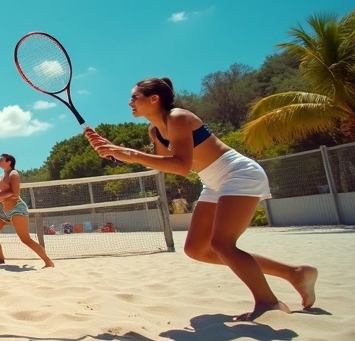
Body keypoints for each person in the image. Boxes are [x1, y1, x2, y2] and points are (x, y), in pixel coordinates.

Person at [85, 77, 317, 320]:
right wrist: (116, 152)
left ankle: (268, 302)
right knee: (196, 249)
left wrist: (130, 154)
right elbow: (166, 166)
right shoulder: (155, 131)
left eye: (135, 97)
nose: (129, 102)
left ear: (154, 99)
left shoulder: (178, 117)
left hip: (239, 174)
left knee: (222, 244)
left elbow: (182, 165)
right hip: (213, 182)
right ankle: (295, 273)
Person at [0, 154, 55, 268]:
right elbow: (1, 195)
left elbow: (15, 193)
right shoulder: (0, 177)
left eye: (1, 160)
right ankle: (0, 258)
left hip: (17, 209)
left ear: (9, 162)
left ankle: (48, 262)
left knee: (25, 239)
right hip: (4, 210)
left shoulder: (14, 174)